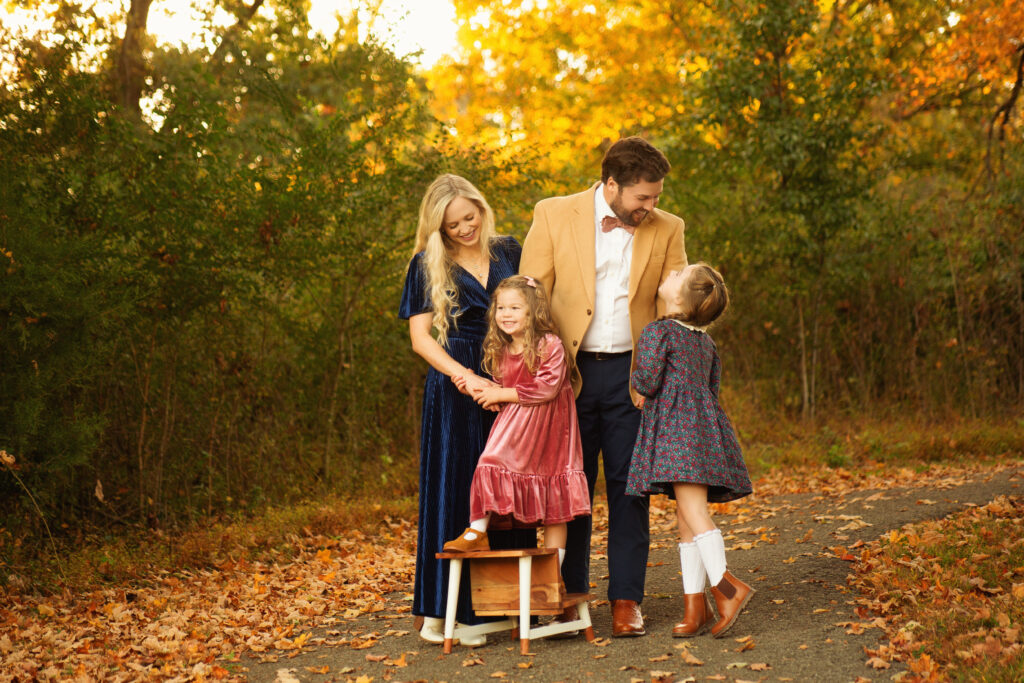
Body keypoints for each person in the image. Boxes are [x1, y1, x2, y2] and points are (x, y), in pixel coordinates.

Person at [519, 136, 687, 637]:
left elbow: (672, 308)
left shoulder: (670, 227)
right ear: (611, 184)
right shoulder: (553, 214)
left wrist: (654, 376)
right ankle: (569, 598)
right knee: (569, 490)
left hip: (634, 379)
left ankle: (626, 600)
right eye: (642, 198)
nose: (650, 207)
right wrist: (538, 373)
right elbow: (531, 297)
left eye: (655, 197)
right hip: (566, 375)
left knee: (630, 489)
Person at [399, 174, 533, 646]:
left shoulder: (511, 250)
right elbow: (420, 339)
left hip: (510, 379)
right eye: (452, 224)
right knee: (458, 488)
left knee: (507, 490)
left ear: (481, 207)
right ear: (438, 226)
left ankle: (503, 605)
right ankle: (448, 611)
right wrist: (466, 377)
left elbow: (539, 309)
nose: (463, 229)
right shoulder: (425, 263)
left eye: (468, 217)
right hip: (456, 387)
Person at [625, 263, 754, 638]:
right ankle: (693, 609)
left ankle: (728, 589)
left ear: (681, 298)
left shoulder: (659, 331)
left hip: (674, 434)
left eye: (679, 274)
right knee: (685, 520)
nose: (672, 272)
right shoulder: (706, 342)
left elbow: (646, 380)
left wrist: (637, 386)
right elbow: (712, 387)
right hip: (703, 432)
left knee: (693, 513)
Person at [443, 276, 591, 565]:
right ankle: (476, 532)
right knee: (490, 463)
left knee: (554, 502)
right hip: (514, 429)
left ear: (532, 312)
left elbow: (547, 388)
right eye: (501, 308)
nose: (506, 314)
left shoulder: (549, 344)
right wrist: (481, 389)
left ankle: (552, 573)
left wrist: (503, 392)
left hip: (550, 431)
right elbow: (502, 390)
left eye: (514, 308)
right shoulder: (500, 349)